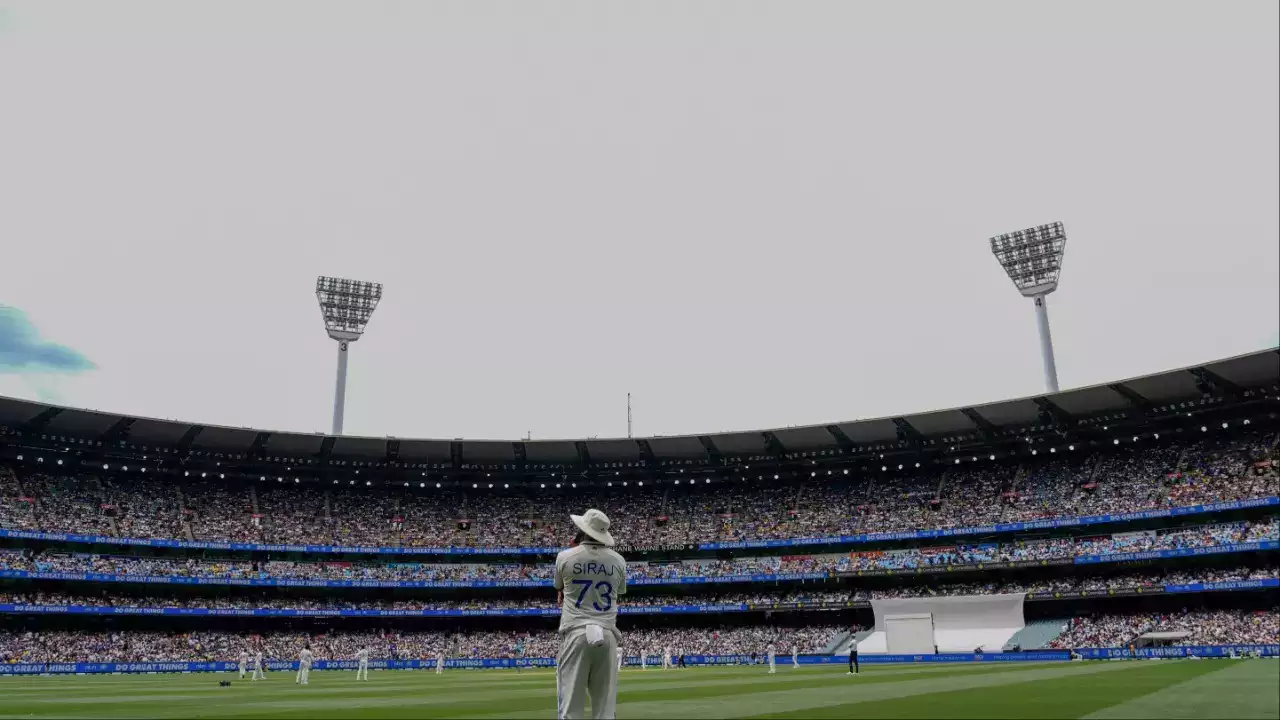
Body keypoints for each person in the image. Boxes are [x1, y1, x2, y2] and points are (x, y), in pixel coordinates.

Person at [554, 508, 626, 720]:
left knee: (571, 708)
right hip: (607, 633)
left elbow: (560, 588)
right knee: (605, 710)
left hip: (576, 632)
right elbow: (617, 592)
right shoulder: (618, 561)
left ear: (582, 530)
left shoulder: (565, 557)